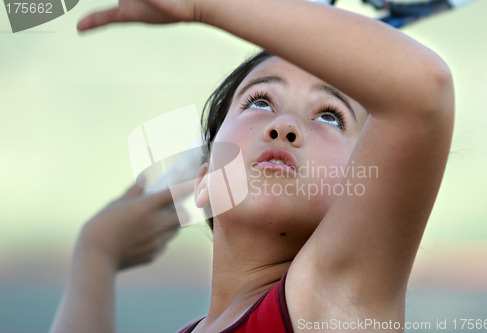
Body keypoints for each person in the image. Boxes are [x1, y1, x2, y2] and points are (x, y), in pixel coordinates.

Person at [50, 0, 455, 332]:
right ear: (205, 181)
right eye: (260, 101)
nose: (285, 126)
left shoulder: (330, 304)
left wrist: (202, 5)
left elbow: (424, 90)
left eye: (331, 115)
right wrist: (95, 254)